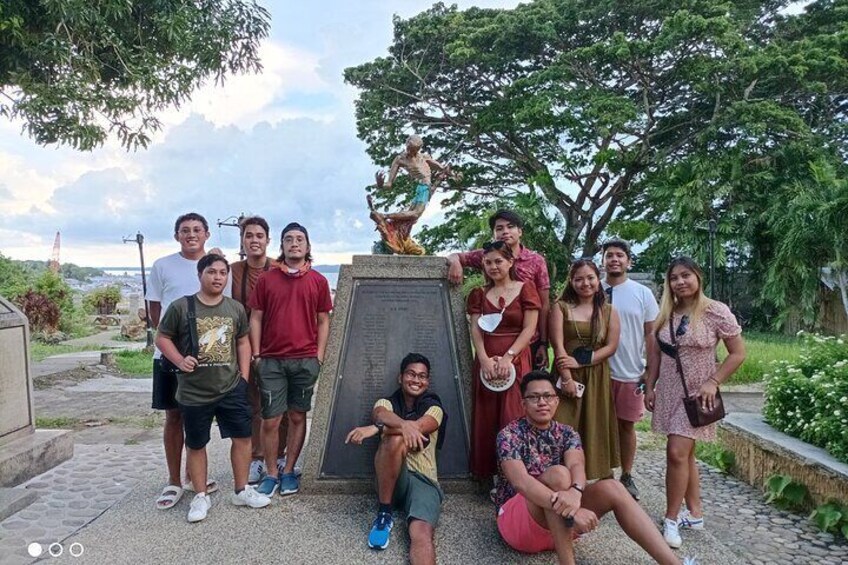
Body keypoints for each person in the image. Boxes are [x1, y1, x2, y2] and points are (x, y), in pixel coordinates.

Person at [495, 371, 692, 565]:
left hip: (562, 525)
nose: (542, 402)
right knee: (559, 475)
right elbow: (522, 482)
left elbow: (577, 464)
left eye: (548, 396)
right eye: (534, 397)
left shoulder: (567, 433)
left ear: (557, 401)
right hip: (520, 525)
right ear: (523, 404)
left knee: (612, 487)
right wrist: (572, 511)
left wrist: (576, 493)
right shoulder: (509, 435)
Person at [155, 254, 271, 522]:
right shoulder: (181, 307)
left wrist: (243, 377)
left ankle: (241, 489)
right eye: (211, 272)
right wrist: (179, 360)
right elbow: (163, 338)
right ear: (200, 275)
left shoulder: (234, 308)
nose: (218, 277)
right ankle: (199, 495)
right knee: (196, 443)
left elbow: (243, 341)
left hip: (230, 386)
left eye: (222, 272)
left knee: (242, 438)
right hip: (194, 391)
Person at [645, 257, 745, 549]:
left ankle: (671, 518)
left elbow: (737, 353)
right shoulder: (666, 312)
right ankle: (696, 513)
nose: (680, 282)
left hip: (698, 394)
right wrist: (649, 386)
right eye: (674, 277)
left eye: (686, 275)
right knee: (685, 455)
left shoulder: (716, 312)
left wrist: (713, 381)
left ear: (698, 277)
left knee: (676, 452)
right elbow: (656, 356)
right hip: (669, 392)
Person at [147, 212, 232, 510]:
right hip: (170, 355)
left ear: (207, 234)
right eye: (185, 230)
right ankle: (173, 480)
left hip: (206, 357)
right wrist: (175, 342)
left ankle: (191, 475)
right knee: (173, 416)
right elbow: (155, 312)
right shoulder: (162, 265)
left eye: (197, 229)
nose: (191, 234)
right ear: (176, 235)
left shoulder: (217, 267)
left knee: (198, 417)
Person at [249, 222, 332, 497]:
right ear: (281, 246)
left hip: (305, 360)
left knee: (297, 415)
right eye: (288, 239)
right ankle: (271, 472)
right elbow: (256, 317)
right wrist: (257, 354)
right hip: (271, 360)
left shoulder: (318, 281)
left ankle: (289, 471)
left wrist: (318, 356)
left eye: (299, 239)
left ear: (308, 246)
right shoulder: (267, 279)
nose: (294, 243)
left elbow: (323, 320)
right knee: (270, 419)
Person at [345, 353, 447, 564]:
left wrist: (376, 429)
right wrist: (389, 424)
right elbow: (380, 414)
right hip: (391, 481)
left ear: (427, 381)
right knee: (394, 442)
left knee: (421, 533)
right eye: (411, 374)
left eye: (422, 376)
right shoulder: (387, 402)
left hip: (424, 480)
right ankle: (384, 514)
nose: (416, 380)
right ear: (400, 377)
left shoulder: (434, 407)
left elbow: (420, 428)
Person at [467, 241, 540, 478]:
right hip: (487, 359)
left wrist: (509, 357)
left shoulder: (526, 288)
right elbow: (476, 329)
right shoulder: (479, 293)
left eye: (498, 261)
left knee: (513, 414)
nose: (493, 266)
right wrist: (485, 359)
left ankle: (517, 476)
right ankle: (488, 474)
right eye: (488, 262)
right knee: (487, 416)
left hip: (516, 359)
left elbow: (530, 328)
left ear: (510, 262)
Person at [446, 209, 551, 370]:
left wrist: (544, 343)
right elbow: (457, 256)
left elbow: (544, 304)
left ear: (520, 231)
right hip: (493, 344)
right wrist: (454, 263)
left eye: (510, 227)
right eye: (499, 228)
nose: (505, 232)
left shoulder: (536, 261)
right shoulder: (487, 255)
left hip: (530, 340)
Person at [229, 216, 288, 484]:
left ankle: (279, 455)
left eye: (259, 235)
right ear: (242, 240)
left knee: (279, 405)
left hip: (277, 345)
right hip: (242, 345)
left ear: (267, 240)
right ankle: (255, 457)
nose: (254, 240)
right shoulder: (233, 271)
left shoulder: (280, 269)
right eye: (249, 235)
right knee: (250, 402)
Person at [550, 259, 621, 481]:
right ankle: (559, 475)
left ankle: (598, 472)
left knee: (595, 424)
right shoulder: (560, 307)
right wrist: (567, 376)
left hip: (596, 376)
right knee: (563, 423)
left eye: (590, 278)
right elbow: (558, 345)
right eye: (579, 279)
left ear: (598, 280)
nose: (585, 283)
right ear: (571, 281)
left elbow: (611, 346)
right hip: (566, 374)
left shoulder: (609, 311)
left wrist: (583, 362)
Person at [601, 239, 659, 500]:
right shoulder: (592, 288)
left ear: (628, 261)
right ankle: (603, 475)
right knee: (598, 425)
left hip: (630, 371)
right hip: (597, 372)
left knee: (626, 426)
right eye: (609, 255)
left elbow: (651, 335)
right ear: (602, 260)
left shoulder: (642, 293)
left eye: (619, 255)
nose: (614, 259)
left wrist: (650, 371)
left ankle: (626, 474)